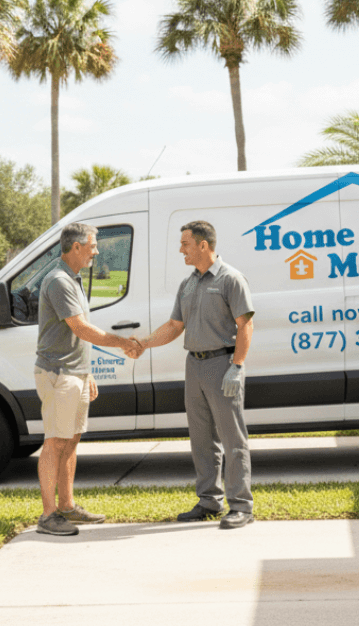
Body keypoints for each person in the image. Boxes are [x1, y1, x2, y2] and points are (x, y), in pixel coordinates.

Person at [134, 220, 255, 529]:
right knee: (201, 438)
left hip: (222, 364)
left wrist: (237, 366)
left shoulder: (231, 279)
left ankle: (241, 505)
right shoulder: (188, 284)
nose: (181, 249)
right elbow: (175, 326)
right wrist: (145, 344)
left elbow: (245, 325)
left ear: (203, 245)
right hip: (195, 365)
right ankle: (209, 501)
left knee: (232, 438)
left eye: (185, 244)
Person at [35, 222, 143, 536]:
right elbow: (81, 329)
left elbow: (76, 337)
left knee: (71, 440)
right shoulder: (58, 281)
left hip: (75, 373)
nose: (96, 251)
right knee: (54, 443)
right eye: (93, 245)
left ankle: (67, 507)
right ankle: (48, 515)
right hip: (58, 374)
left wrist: (88, 372)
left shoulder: (73, 279)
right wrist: (122, 342)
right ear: (77, 246)